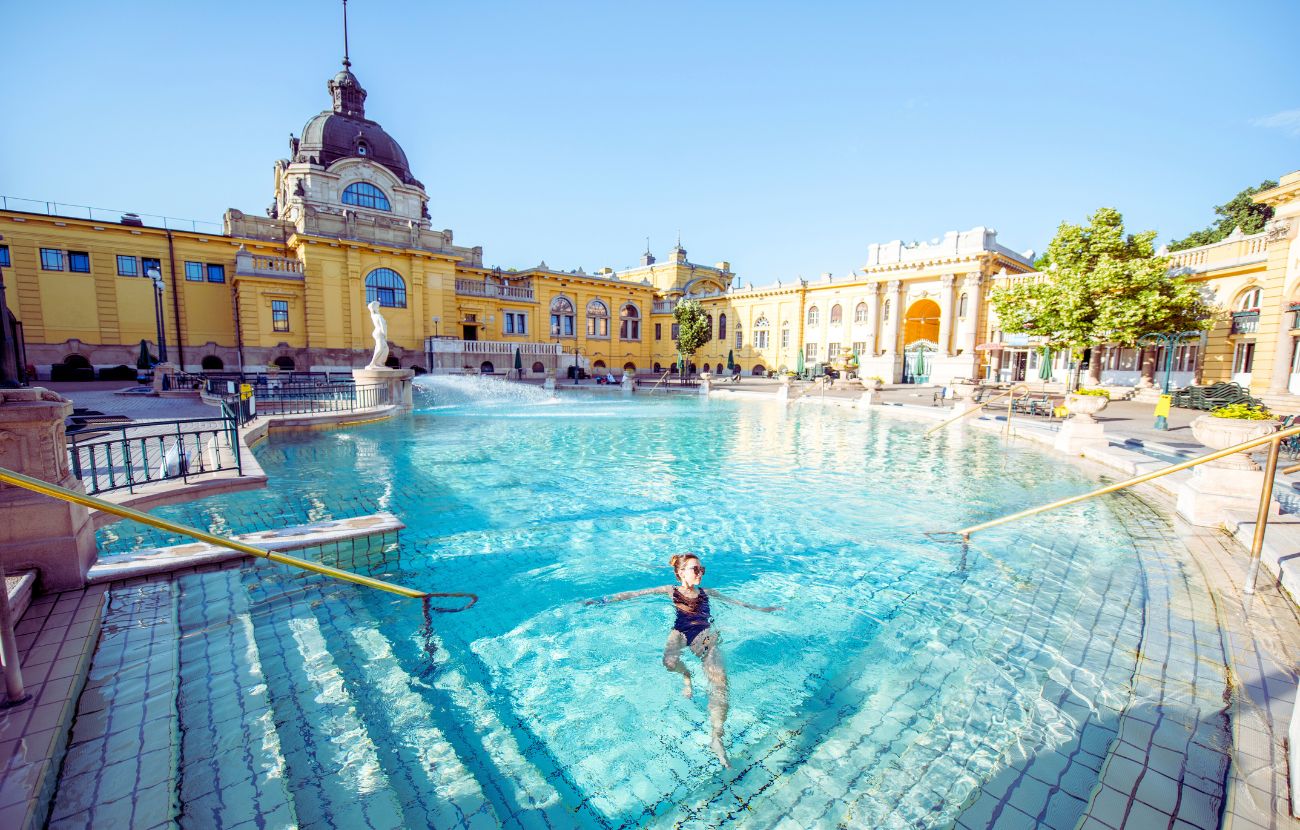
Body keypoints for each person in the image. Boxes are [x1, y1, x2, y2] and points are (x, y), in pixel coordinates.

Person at [584, 552, 780, 767]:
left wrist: (765, 609)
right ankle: (686, 674)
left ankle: (716, 737)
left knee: (719, 680)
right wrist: (603, 600)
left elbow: (739, 603)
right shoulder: (671, 590)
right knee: (669, 663)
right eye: (695, 569)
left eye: (701, 569)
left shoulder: (707, 592)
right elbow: (635, 594)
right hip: (680, 631)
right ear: (680, 572)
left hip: (703, 633)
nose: (700, 573)